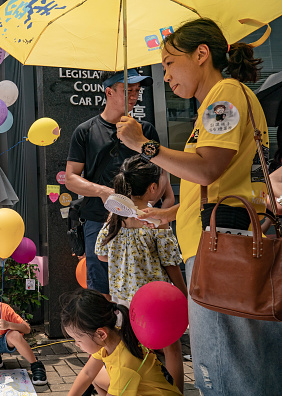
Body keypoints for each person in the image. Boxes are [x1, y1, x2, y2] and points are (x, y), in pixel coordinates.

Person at [116, 17, 282, 395]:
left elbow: (208, 168)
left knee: (225, 369)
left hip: (220, 251)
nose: (166, 77)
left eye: (170, 63)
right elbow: (218, 181)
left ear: (201, 54)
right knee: (249, 366)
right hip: (228, 243)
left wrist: (144, 144)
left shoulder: (223, 96)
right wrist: (170, 213)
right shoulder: (224, 99)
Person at [65, 69, 174, 299]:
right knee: (102, 291)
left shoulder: (146, 130)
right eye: (128, 90)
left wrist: (158, 201)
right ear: (109, 92)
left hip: (143, 219)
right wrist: (103, 191)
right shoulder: (85, 131)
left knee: (148, 284)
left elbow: (162, 173)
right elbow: (71, 178)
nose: (134, 95)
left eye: (137, 90)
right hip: (99, 220)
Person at [95, 155, 187, 392]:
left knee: (130, 349)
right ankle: (176, 391)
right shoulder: (157, 220)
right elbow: (170, 262)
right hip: (155, 301)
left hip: (124, 303)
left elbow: (101, 254)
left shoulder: (114, 220)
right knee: (171, 347)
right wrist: (183, 294)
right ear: (153, 188)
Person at [61, 289, 182, 396]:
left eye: (78, 340)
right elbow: (87, 373)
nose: (76, 344)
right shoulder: (113, 338)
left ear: (101, 334)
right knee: (95, 375)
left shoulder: (123, 366)